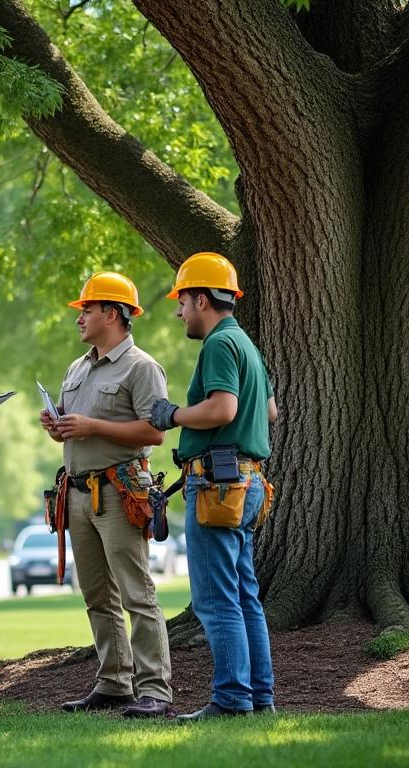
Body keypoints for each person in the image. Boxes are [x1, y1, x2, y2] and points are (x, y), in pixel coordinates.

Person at [147, 251, 278, 720]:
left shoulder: (220, 345)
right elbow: (269, 412)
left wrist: (174, 415)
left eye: (182, 301)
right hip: (247, 482)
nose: (179, 310)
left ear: (202, 299)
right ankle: (259, 698)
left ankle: (231, 700)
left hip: (218, 485)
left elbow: (222, 409)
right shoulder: (247, 344)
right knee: (244, 595)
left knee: (216, 599)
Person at [39, 271, 175, 718]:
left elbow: (155, 432)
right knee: (97, 595)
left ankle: (154, 689)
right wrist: (59, 426)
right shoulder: (77, 368)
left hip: (119, 492)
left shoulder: (142, 367)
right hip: (77, 494)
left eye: (88, 309)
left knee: (137, 593)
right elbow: (77, 432)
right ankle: (115, 682)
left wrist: (92, 426)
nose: (80, 317)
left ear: (112, 313)